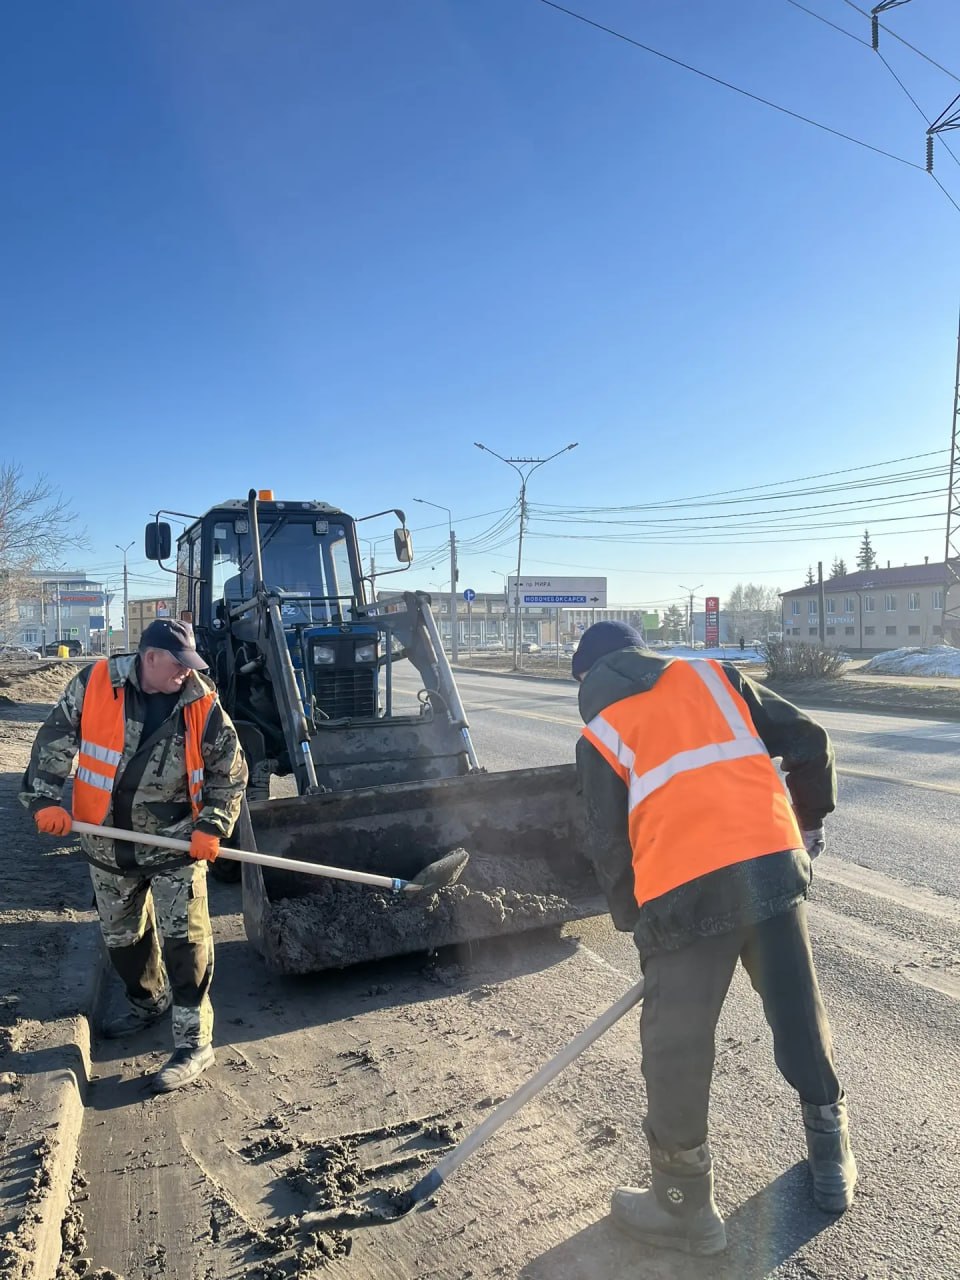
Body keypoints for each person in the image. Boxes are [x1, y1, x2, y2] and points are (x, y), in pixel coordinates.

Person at [571, 620, 856, 1256]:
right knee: (798, 1011)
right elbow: (810, 740)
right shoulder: (715, 677)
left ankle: (683, 1206)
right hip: (771, 865)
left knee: (675, 1044)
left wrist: (636, 923)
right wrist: (807, 822)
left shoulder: (600, 733)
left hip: (684, 893)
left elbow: (609, 848)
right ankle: (832, 1159)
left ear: (587, 676)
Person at [21, 618, 248, 1093]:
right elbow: (55, 738)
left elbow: (230, 771)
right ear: (150, 657)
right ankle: (148, 1002)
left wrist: (212, 825)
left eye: (190, 664)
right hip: (106, 843)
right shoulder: (95, 684)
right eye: (178, 664)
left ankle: (194, 1044)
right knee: (124, 941)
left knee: (186, 944)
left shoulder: (201, 702)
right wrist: (43, 800)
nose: (186, 672)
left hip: (175, 845)